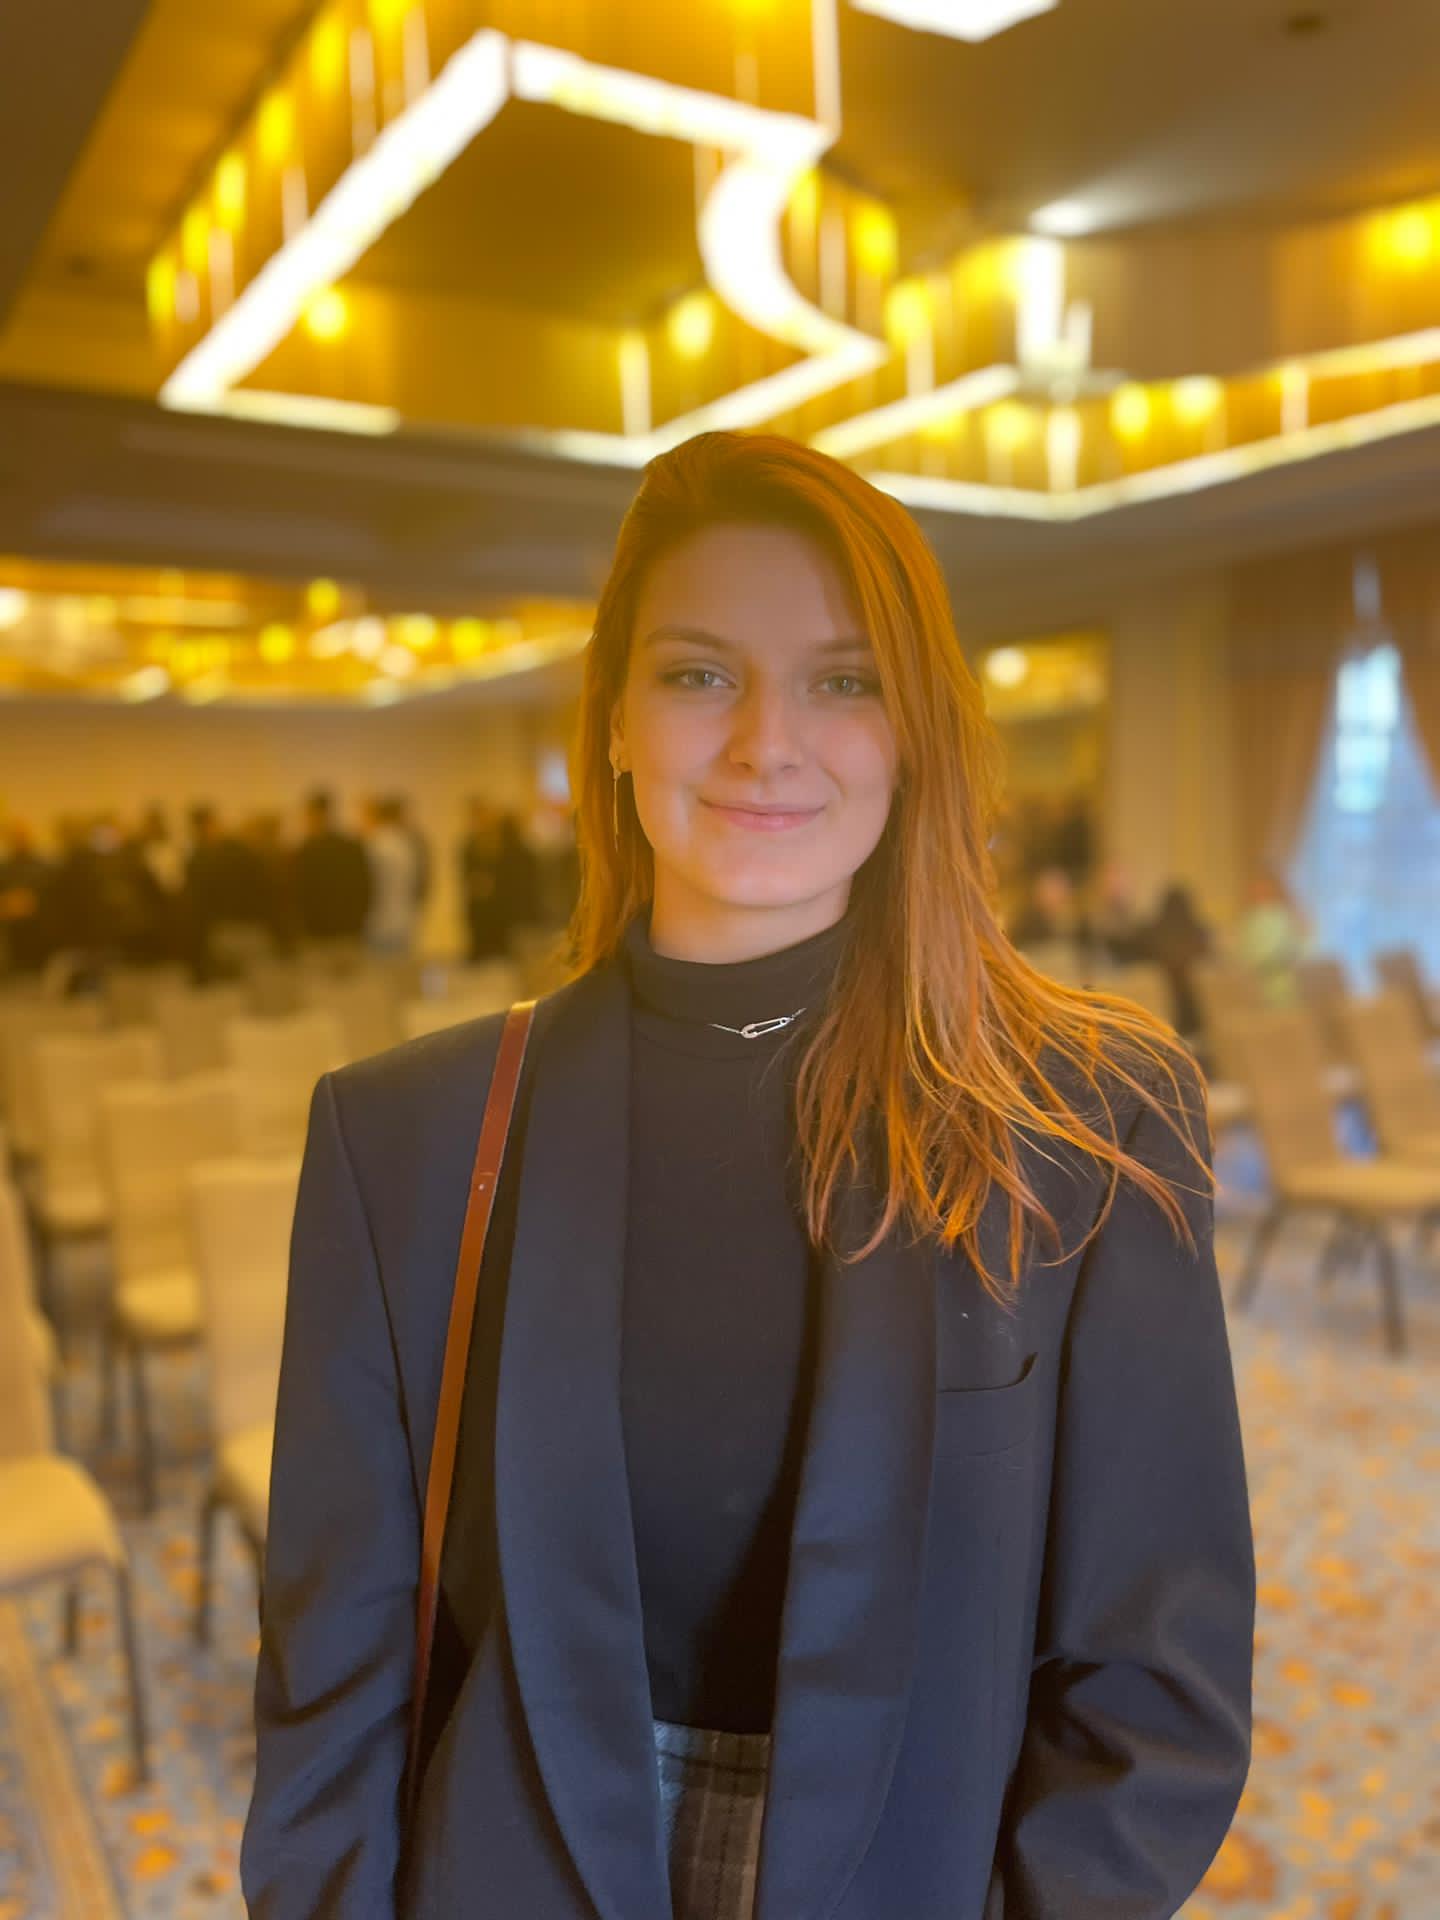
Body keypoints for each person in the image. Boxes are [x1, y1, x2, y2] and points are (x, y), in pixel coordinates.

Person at [243, 431, 1254, 1920]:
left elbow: (1157, 1678)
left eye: (843, 682)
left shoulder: (1084, 1121)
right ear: (614, 721)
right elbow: (328, 1687)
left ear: (913, 732)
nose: (767, 743)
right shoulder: (404, 1135)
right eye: (701, 673)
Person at [293, 788, 371, 950]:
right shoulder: (352, 847)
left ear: (313, 814)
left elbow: (300, 893)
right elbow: (365, 888)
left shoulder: (306, 850)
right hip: (348, 929)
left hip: (316, 931)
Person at [363, 795, 423, 957]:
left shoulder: (375, 843)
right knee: (399, 964)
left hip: (378, 920)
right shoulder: (407, 845)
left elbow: (366, 885)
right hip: (403, 918)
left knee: (378, 968)